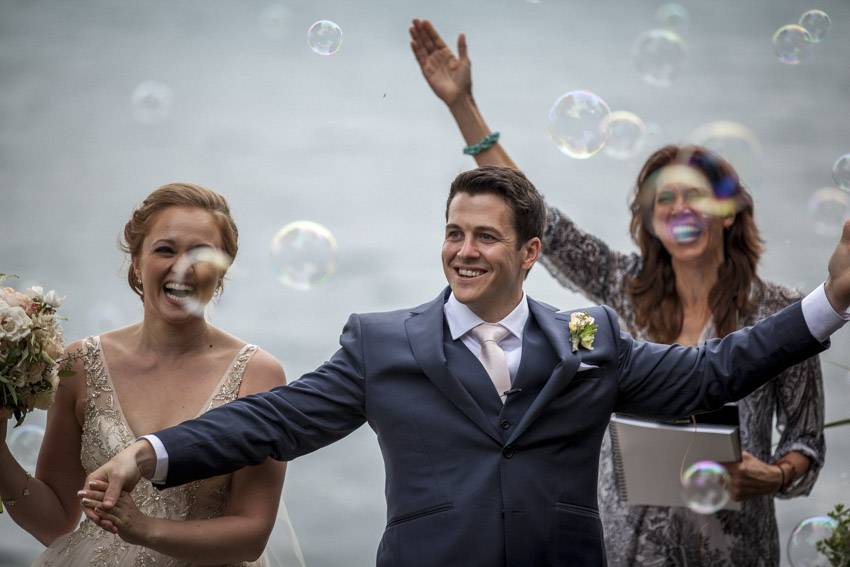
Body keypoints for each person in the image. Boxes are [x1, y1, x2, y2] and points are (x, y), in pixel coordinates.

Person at [83, 166, 848, 567]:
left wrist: (832, 301)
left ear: (529, 252)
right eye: (454, 232)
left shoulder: (591, 335)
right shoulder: (382, 342)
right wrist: (149, 452)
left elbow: (712, 373)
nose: (464, 250)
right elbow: (275, 419)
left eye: (485, 236)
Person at [409, 18, 826, 565]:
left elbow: (806, 443)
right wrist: (463, 105)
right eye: (665, 200)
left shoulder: (781, 312)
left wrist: (773, 476)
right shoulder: (622, 287)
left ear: (729, 212)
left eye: (695, 196)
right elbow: (543, 221)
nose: (680, 209)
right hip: (621, 548)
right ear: (649, 221)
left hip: (730, 551)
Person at [0, 183, 287, 566]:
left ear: (222, 271)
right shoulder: (80, 365)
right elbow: (55, 523)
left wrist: (144, 528)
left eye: (201, 254)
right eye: (165, 249)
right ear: (137, 262)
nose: (182, 267)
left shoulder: (258, 375)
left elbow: (251, 536)